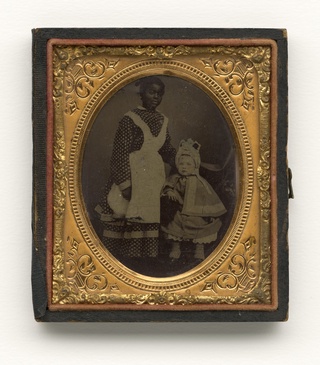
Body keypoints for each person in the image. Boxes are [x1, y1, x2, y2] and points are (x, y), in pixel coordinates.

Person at [96, 76, 176, 264]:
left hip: (152, 178)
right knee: (125, 212)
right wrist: (125, 184)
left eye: (159, 94)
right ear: (141, 94)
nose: (156, 97)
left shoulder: (163, 120)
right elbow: (120, 152)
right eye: (151, 92)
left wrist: (184, 161)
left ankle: (144, 263)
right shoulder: (129, 119)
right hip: (133, 174)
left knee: (147, 215)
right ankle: (121, 263)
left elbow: (166, 149)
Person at [161, 138, 227, 263]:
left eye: (188, 164)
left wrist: (210, 214)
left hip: (196, 214)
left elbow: (208, 197)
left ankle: (199, 249)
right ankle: (175, 249)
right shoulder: (175, 178)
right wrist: (169, 191)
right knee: (174, 225)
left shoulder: (200, 182)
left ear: (195, 165)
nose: (184, 167)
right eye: (181, 164)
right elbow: (168, 185)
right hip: (180, 212)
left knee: (200, 227)